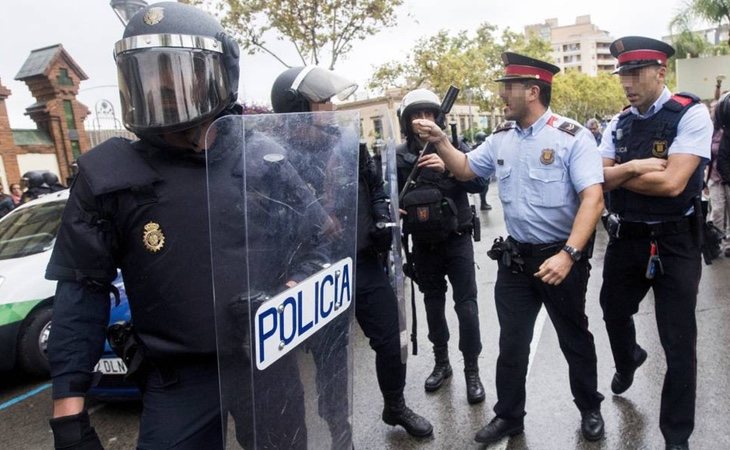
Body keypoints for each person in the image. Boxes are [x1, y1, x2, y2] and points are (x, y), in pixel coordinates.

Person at [44, 3, 318, 449]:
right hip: (178, 380)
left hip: (267, 360)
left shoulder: (264, 158)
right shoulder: (111, 175)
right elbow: (81, 292)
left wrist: (297, 286)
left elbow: (317, 240)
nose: (164, 92)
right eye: (150, 78)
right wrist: (68, 413)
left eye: (179, 77)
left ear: (220, 77)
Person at [411, 52, 606, 445]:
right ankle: (509, 417)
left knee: (574, 338)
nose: (502, 95)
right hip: (516, 260)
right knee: (512, 343)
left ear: (533, 91)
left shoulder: (571, 137)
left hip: (561, 258)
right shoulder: (501, 137)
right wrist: (442, 141)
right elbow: (466, 169)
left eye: (509, 88)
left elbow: (593, 199)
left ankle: (589, 406)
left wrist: (569, 255)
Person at [270, 66, 433, 439]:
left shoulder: (347, 142)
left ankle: (395, 405)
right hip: (319, 271)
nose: (331, 106)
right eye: (323, 100)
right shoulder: (279, 156)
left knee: (391, 339)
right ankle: (338, 431)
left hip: (363, 262)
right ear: (297, 106)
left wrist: (380, 215)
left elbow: (375, 186)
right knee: (331, 361)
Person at [598, 36, 713, 450]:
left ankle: (676, 437)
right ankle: (629, 358)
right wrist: (633, 166)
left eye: (635, 73)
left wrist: (620, 174)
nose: (626, 82)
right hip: (627, 237)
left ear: (661, 72)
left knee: (679, 345)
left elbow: (672, 183)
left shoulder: (691, 114)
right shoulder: (618, 122)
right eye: (622, 74)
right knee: (612, 312)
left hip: (676, 240)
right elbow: (596, 177)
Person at [395, 88, 487, 405]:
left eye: (430, 114)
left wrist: (448, 165)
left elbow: (479, 182)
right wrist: (394, 208)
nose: (423, 121)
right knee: (433, 305)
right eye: (417, 115)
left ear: (439, 117)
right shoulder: (399, 155)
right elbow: (386, 195)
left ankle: (472, 370)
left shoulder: (454, 146)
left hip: (457, 239)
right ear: (406, 121)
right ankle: (442, 362)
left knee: (467, 307)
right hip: (423, 245)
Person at [473, 131, 492, 210]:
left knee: (485, 187)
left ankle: (483, 203)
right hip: (482, 171)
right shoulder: (481, 145)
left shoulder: (477, 145)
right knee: (484, 187)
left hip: (482, 170)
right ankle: (483, 204)